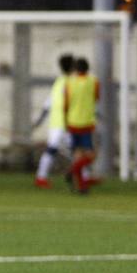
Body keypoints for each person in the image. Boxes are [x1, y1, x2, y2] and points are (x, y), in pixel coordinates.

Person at [32, 53, 74, 188]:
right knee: (58, 149)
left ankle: (80, 175)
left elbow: (48, 103)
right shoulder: (70, 82)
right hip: (66, 122)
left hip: (57, 122)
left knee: (70, 150)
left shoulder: (59, 81)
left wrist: (40, 120)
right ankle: (41, 177)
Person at [64, 56, 100, 194]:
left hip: (72, 121)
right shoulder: (93, 81)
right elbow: (97, 97)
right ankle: (72, 171)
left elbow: (66, 102)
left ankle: (82, 186)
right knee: (91, 155)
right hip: (86, 122)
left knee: (78, 154)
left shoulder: (70, 82)